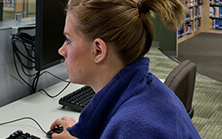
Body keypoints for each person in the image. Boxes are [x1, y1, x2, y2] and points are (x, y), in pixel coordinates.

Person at [49, 0, 201, 138]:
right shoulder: (146, 87)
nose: (61, 50)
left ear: (98, 50)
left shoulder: (134, 125)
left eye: (69, 40)